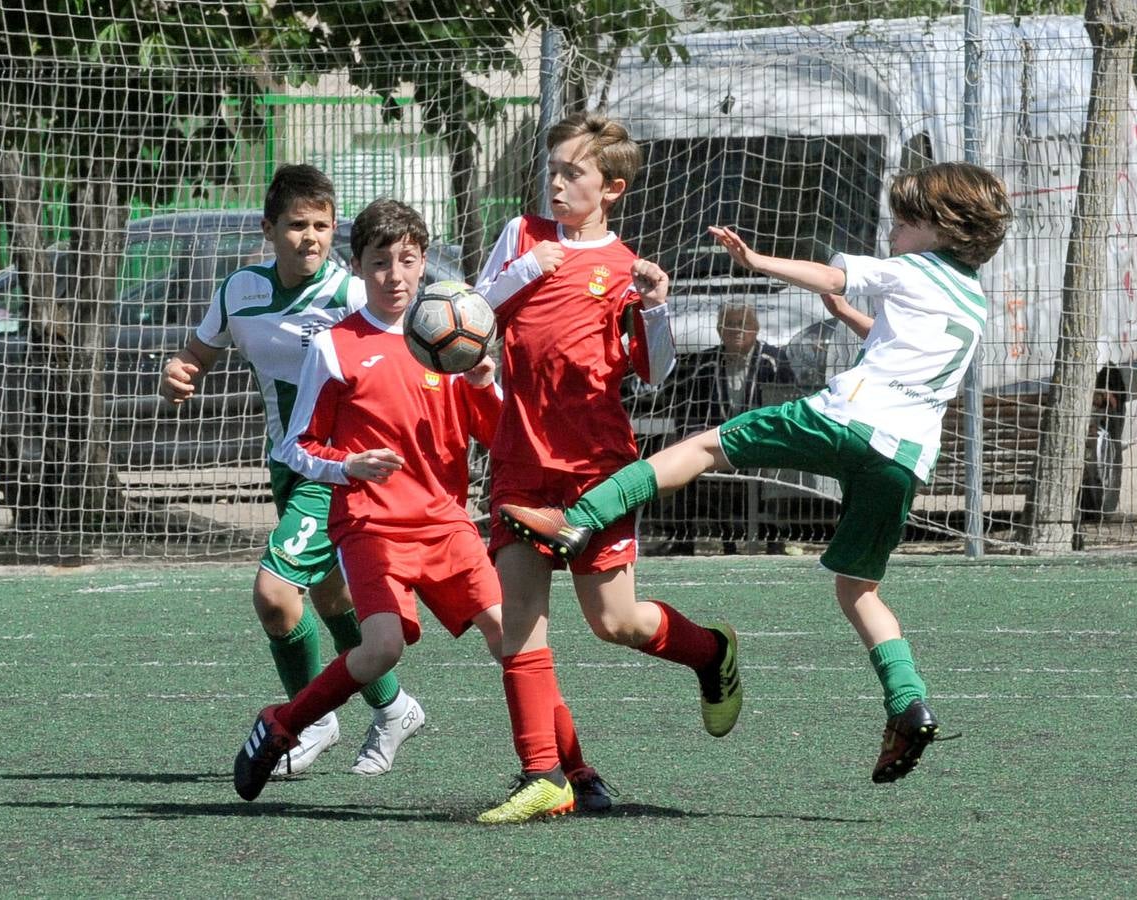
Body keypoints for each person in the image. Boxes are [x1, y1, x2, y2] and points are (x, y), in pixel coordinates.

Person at [501, 161, 1013, 784]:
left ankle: (579, 520)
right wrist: (849, 315)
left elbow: (833, 271)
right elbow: (894, 336)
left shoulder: (912, 266)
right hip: (905, 458)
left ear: (942, 228)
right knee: (859, 591)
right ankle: (908, 701)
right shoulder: (973, 299)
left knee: (704, 448)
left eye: (905, 221)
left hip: (846, 420)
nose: (895, 230)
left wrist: (758, 261)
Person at [231, 198, 610, 815]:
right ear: (359, 268)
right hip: (372, 527)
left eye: (408, 260)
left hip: (447, 523)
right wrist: (345, 466)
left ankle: (571, 769)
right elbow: (295, 446)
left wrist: (485, 383)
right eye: (380, 263)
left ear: (425, 263)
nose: (396, 276)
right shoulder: (335, 347)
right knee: (381, 650)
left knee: (513, 637)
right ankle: (280, 724)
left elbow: (496, 434)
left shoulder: (452, 340)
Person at [473, 112, 743, 824]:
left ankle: (710, 651)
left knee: (614, 622)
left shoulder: (626, 270)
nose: (557, 184)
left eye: (574, 174)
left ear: (611, 188)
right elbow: (471, 317)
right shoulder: (522, 238)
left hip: (596, 470)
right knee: (518, 623)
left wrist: (655, 309)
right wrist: (525, 272)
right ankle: (542, 775)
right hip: (519, 461)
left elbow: (653, 374)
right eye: (554, 170)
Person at [159, 165, 423, 779]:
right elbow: (197, 353)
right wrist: (179, 373)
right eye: (298, 225)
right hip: (287, 462)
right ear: (268, 229)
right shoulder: (239, 292)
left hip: (335, 469)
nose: (311, 237)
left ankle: (311, 718)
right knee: (330, 595)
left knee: (276, 595)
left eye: (323, 226)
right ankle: (394, 707)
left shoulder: (354, 295)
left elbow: (414, 352)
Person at [656, 302, 795, 555]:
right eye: (730, 326)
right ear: (719, 330)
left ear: (756, 329)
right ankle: (684, 540)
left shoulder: (774, 361)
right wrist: (694, 435)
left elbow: (787, 404)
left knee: (779, 471)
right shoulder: (704, 363)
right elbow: (686, 410)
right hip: (716, 443)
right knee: (681, 459)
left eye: (744, 325)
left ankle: (775, 540)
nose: (737, 331)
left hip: (762, 441)